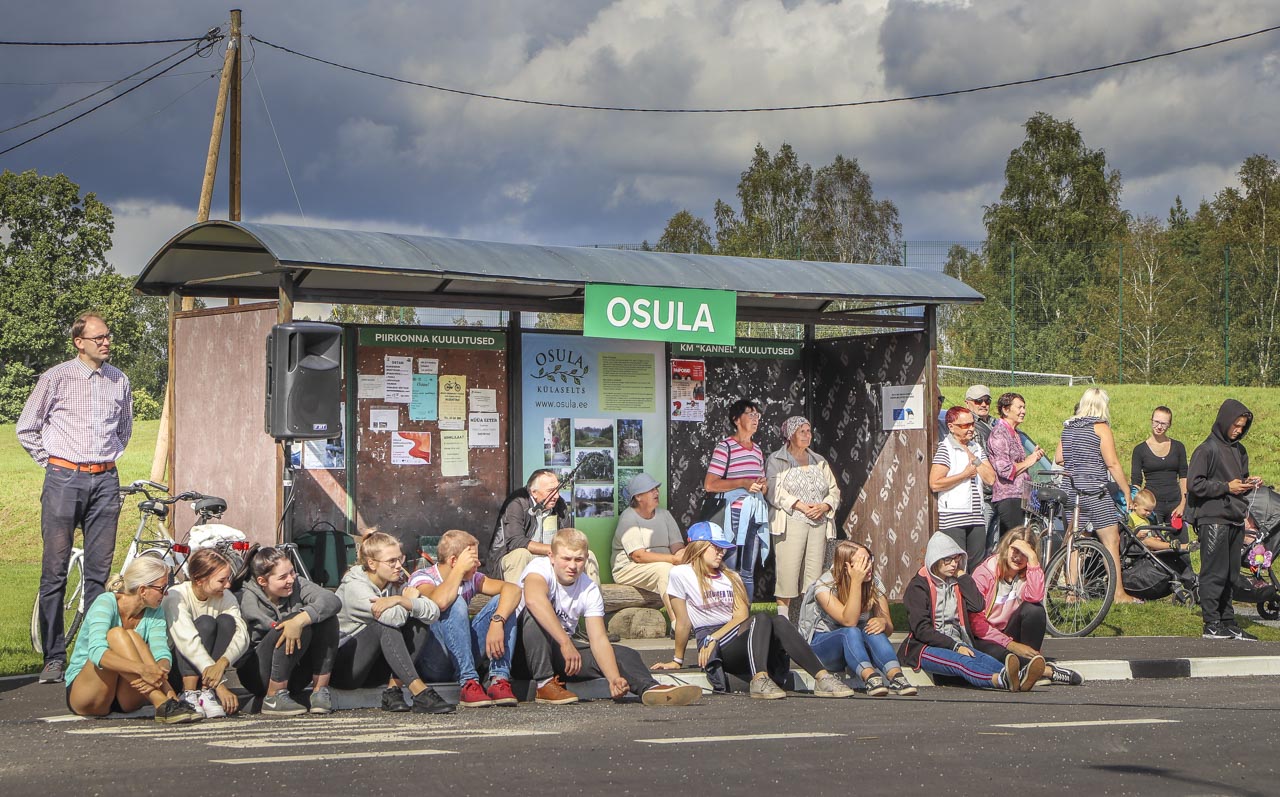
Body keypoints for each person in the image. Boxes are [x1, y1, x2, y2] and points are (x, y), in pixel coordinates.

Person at [17, 313, 133, 684]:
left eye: (108, 336)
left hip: (104, 482)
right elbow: (27, 427)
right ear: (79, 342)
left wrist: (106, 460)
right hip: (64, 480)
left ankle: (90, 651)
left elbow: (125, 430)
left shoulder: (120, 380)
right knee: (55, 572)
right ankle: (54, 657)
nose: (106, 342)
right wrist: (53, 465)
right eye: (98, 337)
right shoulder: (56, 378)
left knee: (99, 576)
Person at [650, 522, 854, 700]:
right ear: (699, 547)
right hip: (713, 643)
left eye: (723, 548)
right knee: (762, 618)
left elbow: (741, 617)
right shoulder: (680, 574)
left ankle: (822, 677)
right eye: (716, 547)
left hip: (736, 635)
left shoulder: (732, 576)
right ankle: (759, 679)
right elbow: (684, 622)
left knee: (779, 621)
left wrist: (716, 637)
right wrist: (677, 660)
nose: (722, 552)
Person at [516, 529, 701, 707]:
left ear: (586, 559)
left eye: (579, 559)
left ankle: (652, 689)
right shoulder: (539, 568)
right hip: (524, 653)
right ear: (552, 557)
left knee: (624, 653)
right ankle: (544, 684)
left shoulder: (589, 588)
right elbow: (533, 600)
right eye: (566, 558)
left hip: (562, 655)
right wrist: (565, 641)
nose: (572, 566)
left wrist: (613, 678)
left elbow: (598, 639)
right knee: (534, 616)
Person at [899, 532, 1040, 692]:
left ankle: (1019, 677)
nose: (953, 564)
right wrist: (954, 646)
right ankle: (1000, 680)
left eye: (957, 559)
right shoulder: (918, 587)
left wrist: (963, 576)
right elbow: (922, 630)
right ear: (935, 559)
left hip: (957, 641)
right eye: (948, 559)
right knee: (962, 661)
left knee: (983, 658)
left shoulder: (957, 581)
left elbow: (978, 605)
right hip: (924, 647)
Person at [65, 557, 200, 723]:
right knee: (117, 634)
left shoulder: (154, 610)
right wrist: (142, 670)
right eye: (162, 588)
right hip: (89, 693)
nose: (165, 593)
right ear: (143, 590)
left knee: (133, 636)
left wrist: (160, 669)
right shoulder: (106, 602)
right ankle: (161, 702)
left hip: (126, 697)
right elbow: (96, 652)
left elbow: (161, 652)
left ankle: (169, 699)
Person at [333, 530, 453, 713]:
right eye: (391, 561)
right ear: (372, 564)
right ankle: (420, 692)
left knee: (418, 624)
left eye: (400, 559)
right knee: (384, 625)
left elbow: (433, 612)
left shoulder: (396, 582)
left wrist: (401, 600)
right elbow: (391, 618)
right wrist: (409, 603)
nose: (398, 566)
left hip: (377, 668)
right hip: (346, 670)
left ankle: (392, 691)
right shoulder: (354, 587)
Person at [410, 530, 522, 708]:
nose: (478, 563)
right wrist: (460, 570)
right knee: (455, 602)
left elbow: (513, 589)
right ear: (454, 561)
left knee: (504, 602)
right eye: (473, 559)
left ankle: (499, 680)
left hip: (464, 654)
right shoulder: (423, 577)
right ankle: (469, 682)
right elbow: (439, 602)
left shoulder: (473, 578)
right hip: (434, 661)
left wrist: (497, 621)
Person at [798, 540, 916, 696]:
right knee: (851, 631)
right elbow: (849, 621)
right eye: (862, 562)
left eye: (869, 559)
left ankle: (896, 676)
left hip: (857, 647)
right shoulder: (824, 586)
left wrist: (883, 622)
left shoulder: (874, 583)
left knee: (871, 629)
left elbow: (888, 629)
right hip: (824, 647)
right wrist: (856, 582)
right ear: (846, 566)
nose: (868, 566)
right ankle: (870, 678)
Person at [1057, 387, 1140, 604]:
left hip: (1071, 489)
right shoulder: (1100, 428)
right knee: (1111, 539)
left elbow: (1060, 458)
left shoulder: (1068, 427)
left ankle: (1071, 592)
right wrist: (1125, 491)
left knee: (1076, 539)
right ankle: (1118, 593)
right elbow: (1112, 463)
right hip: (1094, 490)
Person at [237, 546, 342, 716]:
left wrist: (301, 619)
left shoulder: (297, 583)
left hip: (293, 671)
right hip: (258, 672)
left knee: (325, 618)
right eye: (283, 577)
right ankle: (273, 696)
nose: (291, 579)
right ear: (263, 581)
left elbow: (332, 600)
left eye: (292, 572)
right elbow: (272, 628)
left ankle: (320, 691)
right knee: (288, 623)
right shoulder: (247, 597)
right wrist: (294, 622)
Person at [970, 528, 1082, 686]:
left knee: (1035, 610)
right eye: (1015, 550)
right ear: (1005, 548)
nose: (1017, 557)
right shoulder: (984, 574)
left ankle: (1030, 668)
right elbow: (976, 624)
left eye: (1024, 553)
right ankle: (1046, 671)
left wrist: (1033, 561)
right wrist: (1011, 645)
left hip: (1008, 631)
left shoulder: (1025, 573)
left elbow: (1036, 597)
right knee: (998, 653)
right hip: (984, 636)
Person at [1187, 399, 1259, 641]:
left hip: (1234, 517)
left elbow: (1240, 481)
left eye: (1242, 426)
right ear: (1225, 421)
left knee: (1231, 573)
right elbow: (1194, 484)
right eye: (1236, 425)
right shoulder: (1206, 449)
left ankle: (1227, 620)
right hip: (1213, 517)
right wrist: (1226, 486)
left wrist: (1249, 484)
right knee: (1214, 572)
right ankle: (1211, 622)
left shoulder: (1240, 450)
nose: (1238, 430)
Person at [766, 416, 841, 617]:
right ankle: (783, 623)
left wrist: (825, 505)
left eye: (809, 431)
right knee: (787, 575)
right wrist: (799, 505)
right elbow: (773, 490)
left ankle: (809, 623)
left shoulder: (819, 461)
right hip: (791, 522)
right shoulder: (777, 459)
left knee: (813, 577)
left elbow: (834, 491)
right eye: (802, 432)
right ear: (790, 435)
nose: (808, 435)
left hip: (818, 523)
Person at [162, 548, 248, 718]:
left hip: (208, 673)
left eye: (228, 579)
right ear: (200, 580)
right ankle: (189, 693)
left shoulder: (226, 596)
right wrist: (220, 684)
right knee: (206, 623)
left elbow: (242, 634)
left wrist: (223, 663)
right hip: (176, 669)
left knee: (227, 621)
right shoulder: (176, 596)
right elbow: (188, 642)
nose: (228, 585)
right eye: (221, 580)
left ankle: (206, 693)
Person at [703, 398, 770, 600]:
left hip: (753, 516)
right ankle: (726, 616)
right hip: (731, 515)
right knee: (728, 567)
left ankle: (745, 621)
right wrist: (742, 482)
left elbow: (763, 487)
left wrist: (761, 486)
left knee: (748, 572)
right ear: (736, 419)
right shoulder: (725, 447)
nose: (755, 419)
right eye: (750, 414)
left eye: (757, 415)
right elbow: (710, 484)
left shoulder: (757, 450)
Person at [489, 469, 600, 584]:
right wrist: (555, 549)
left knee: (587, 555)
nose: (556, 496)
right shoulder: (517, 502)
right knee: (520, 554)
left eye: (558, 490)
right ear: (534, 492)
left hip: (550, 557)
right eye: (551, 491)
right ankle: (517, 599)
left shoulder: (559, 504)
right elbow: (515, 542)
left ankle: (593, 599)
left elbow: (568, 538)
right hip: (518, 560)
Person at [611, 473, 685, 619]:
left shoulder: (665, 515)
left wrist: (682, 557)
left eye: (656, 489)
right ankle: (678, 622)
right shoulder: (628, 517)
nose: (657, 492)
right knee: (665, 570)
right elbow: (638, 556)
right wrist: (673, 560)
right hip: (629, 569)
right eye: (651, 490)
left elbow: (678, 547)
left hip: (664, 564)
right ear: (638, 496)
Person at [930, 406, 996, 564]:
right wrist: (963, 475)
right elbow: (935, 483)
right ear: (951, 427)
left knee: (977, 564)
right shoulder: (945, 449)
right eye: (965, 425)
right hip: (954, 516)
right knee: (957, 564)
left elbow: (991, 479)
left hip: (976, 516)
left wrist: (975, 459)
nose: (971, 428)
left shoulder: (976, 448)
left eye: (972, 424)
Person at [986, 392, 1045, 535]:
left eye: (1024, 407)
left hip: (1022, 496)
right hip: (1008, 497)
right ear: (1006, 410)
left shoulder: (1015, 433)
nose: (1023, 411)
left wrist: (1033, 457)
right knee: (1014, 543)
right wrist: (1029, 461)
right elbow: (1005, 470)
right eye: (1019, 407)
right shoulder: (999, 434)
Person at [1130, 406, 1189, 539]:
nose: (1159, 426)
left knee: (1182, 547)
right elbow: (1136, 481)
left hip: (1175, 503)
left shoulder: (1179, 447)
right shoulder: (1139, 450)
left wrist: (1182, 504)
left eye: (1163, 423)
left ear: (1169, 425)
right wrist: (1136, 507)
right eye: (1156, 422)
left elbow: (1184, 476)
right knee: (1154, 546)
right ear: (1151, 421)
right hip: (1151, 506)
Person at [965, 385, 1000, 552]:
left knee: (993, 548)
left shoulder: (994, 423)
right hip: (981, 495)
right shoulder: (968, 425)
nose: (984, 404)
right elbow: (973, 457)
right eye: (979, 401)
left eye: (987, 401)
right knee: (978, 548)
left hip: (997, 494)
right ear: (968, 403)